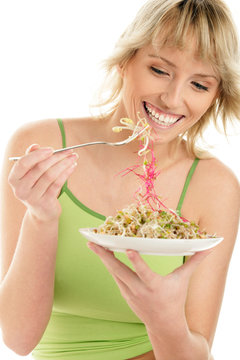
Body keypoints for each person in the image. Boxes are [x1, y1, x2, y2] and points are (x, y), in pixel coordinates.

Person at [0, 0, 239, 359]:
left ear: (215, 96)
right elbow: (18, 339)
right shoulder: (42, 148)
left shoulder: (215, 186)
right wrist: (41, 217)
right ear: (127, 60)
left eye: (199, 85)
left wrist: (164, 317)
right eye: (160, 70)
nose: (173, 99)